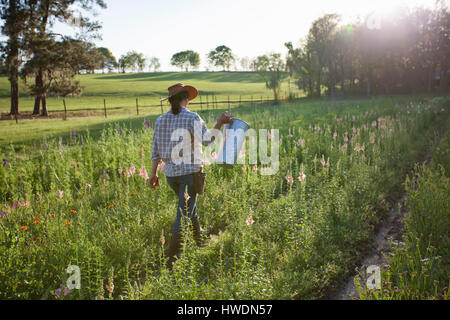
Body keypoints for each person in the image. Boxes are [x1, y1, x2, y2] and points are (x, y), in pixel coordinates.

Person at [149, 83, 232, 268]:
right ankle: (173, 258)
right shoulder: (191, 117)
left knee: (187, 205)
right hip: (190, 174)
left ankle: (200, 236)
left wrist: (153, 174)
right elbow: (207, 140)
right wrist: (219, 122)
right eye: (188, 98)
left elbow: (155, 151)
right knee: (183, 213)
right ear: (185, 99)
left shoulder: (160, 120)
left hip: (171, 175)